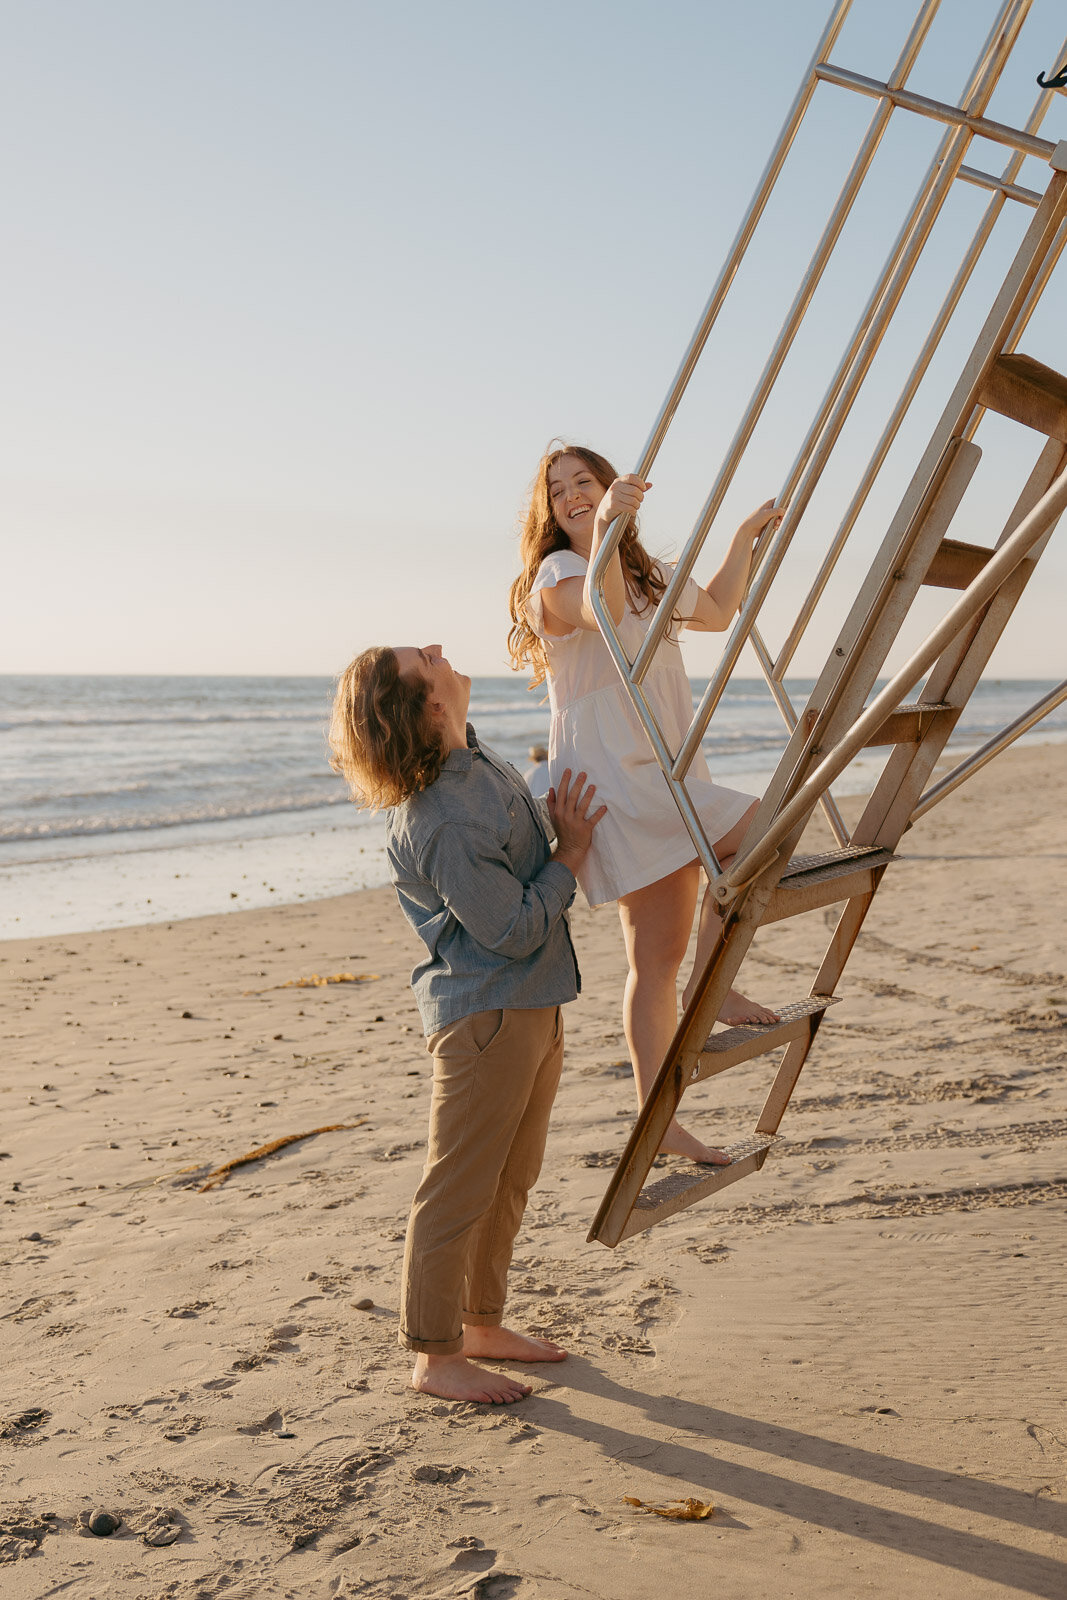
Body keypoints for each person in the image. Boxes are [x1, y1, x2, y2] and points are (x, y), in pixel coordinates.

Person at [329, 642, 605, 1404]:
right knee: (455, 1188)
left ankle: (480, 1323)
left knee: (510, 1177)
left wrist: (552, 834)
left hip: (532, 1003)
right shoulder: (444, 816)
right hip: (487, 1016)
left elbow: (514, 883)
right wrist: (571, 855)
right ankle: (433, 1355)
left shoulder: (476, 764)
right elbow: (510, 930)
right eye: (425, 657)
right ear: (430, 705)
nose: (440, 651)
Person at [508, 443, 783, 1167]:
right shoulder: (559, 572)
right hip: (613, 777)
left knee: (658, 955)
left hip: (664, 767)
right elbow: (589, 608)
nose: (571, 494)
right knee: (752, 834)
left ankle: (680, 1053)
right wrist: (601, 526)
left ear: (608, 485)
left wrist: (739, 541)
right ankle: (688, 1038)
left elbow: (719, 610)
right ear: (548, 510)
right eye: (558, 489)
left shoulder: (643, 572)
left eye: (584, 482)